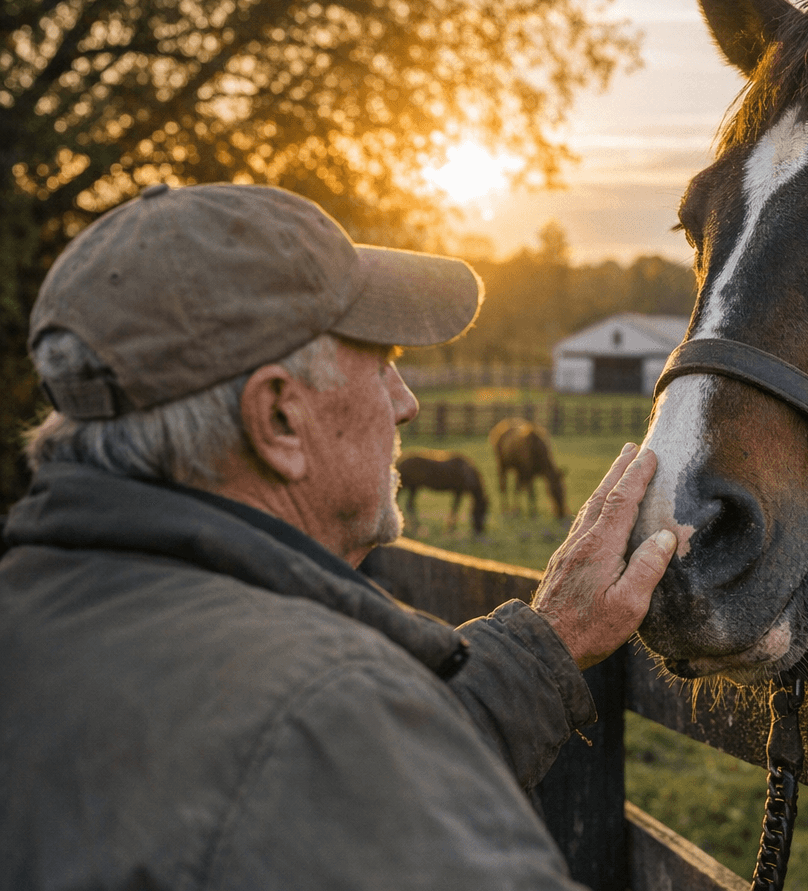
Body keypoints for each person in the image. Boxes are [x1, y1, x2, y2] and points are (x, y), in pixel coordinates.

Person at [0, 183, 677, 889]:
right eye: (382, 361)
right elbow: (325, 761)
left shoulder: (33, 620)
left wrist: (546, 645)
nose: (406, 402)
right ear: (280, 421)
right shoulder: (325, 719)